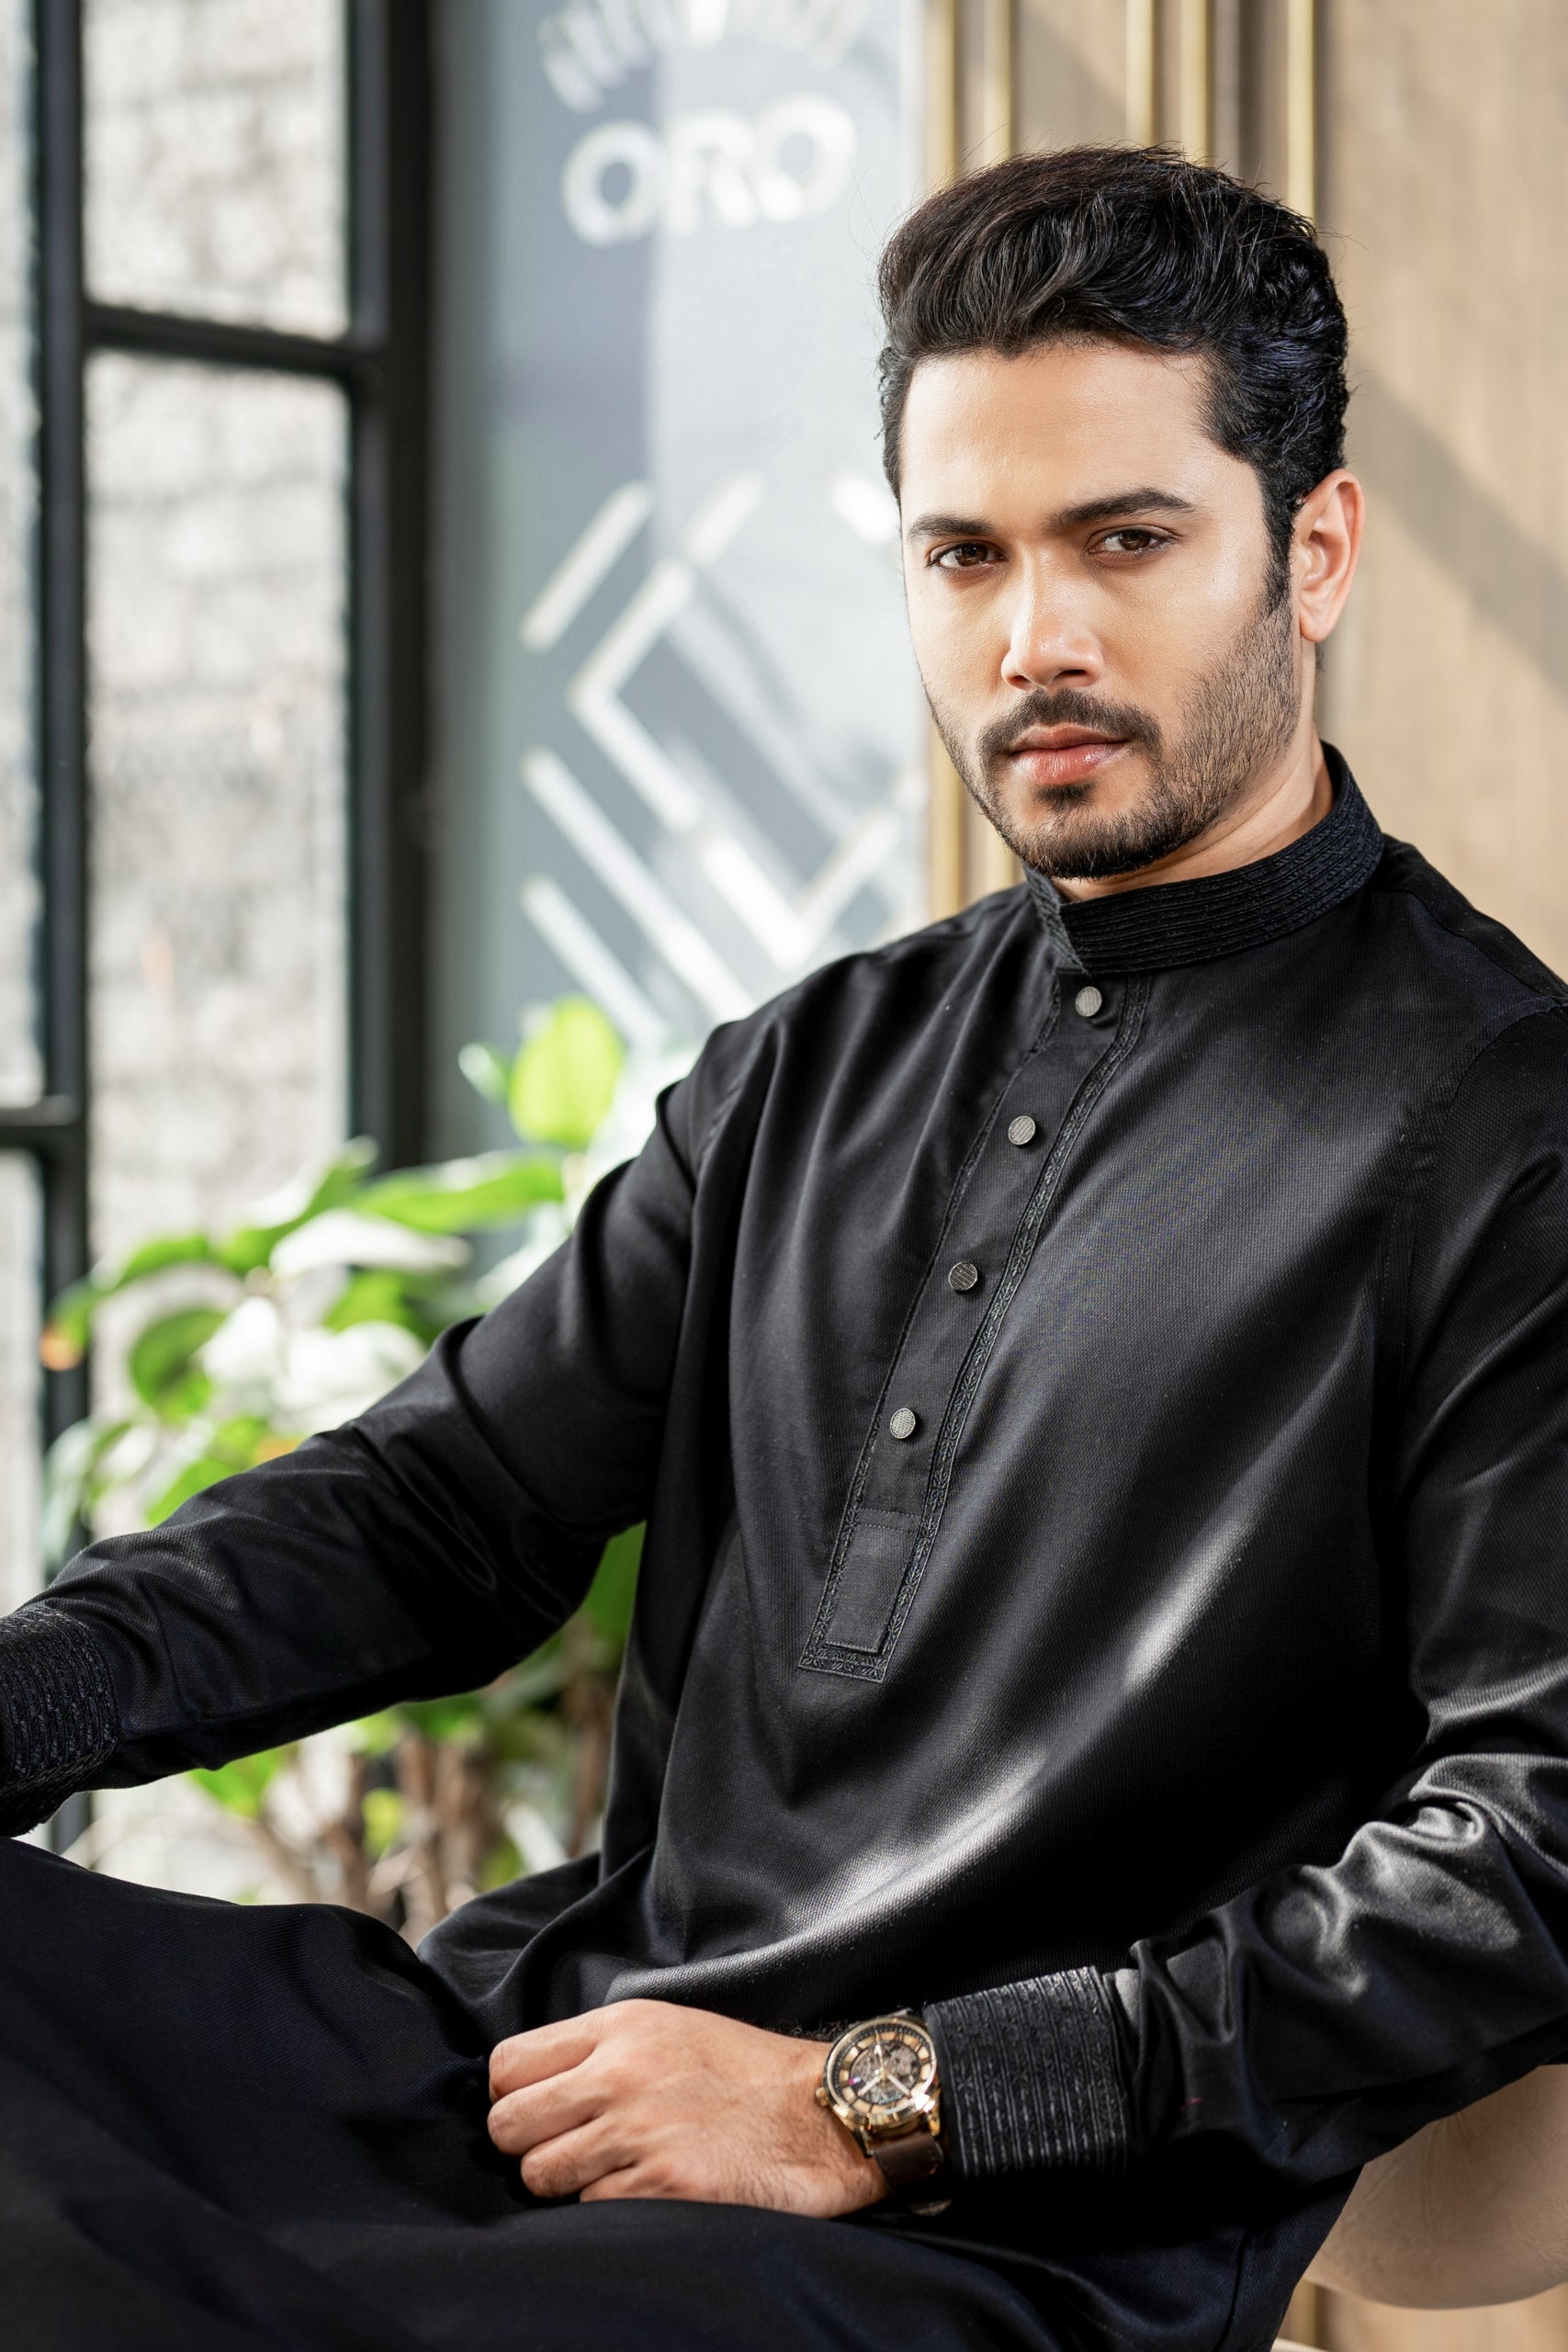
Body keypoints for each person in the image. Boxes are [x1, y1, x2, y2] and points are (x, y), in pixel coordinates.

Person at [4, 141, 1568, 2351]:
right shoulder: (816, 1060)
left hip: (976, 2235)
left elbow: (1532, 1846)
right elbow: (439, 1503)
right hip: (559, 2070)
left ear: (1307, 550)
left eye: (1124, 538)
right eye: (964, 553)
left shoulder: (1507, 1125)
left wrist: (876, 2097)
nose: (1033, 636)